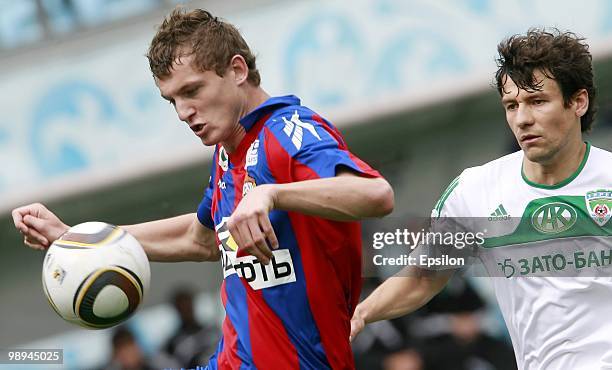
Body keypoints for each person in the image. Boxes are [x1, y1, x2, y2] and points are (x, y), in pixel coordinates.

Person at [12, 8, 394, 370]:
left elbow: (376, 195)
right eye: (172, 100)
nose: (183, 112)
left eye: (192, 90)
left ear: (237, 70)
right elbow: (201, 239)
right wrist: (81, 239)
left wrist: (273, 194)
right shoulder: (228, 154)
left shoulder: (289, 131)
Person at [351, 28, 612, 370]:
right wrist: (359, 315)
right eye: (512, 105)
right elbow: (421, 278)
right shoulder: (475, 192)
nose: (522, 119)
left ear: (578, 102)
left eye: (537, 101)